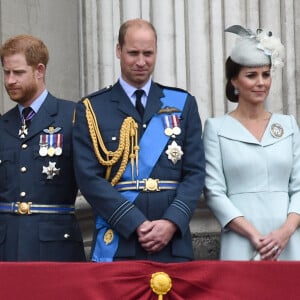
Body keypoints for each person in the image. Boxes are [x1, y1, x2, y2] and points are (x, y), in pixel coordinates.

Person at [73, 18, 205, 262]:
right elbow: (88, 178)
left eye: (148, 53)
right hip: (119, 239)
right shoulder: (92, 108)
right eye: (133, 53)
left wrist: (171, 221)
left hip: (172, 241)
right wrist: (134, 222)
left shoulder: (182, 103)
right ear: (118, 51)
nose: (141, 62)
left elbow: (195, 173)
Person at [203, 25, 300, 260]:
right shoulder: (216, 129)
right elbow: (214, 192)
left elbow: (299, 187)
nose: (261, 82)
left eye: (266, 74)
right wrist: (254, 236)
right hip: (241, 239)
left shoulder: (288, 125)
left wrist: (284, 232)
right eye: (251, 75)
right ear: (234, 81)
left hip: (288, 239)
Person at [0, 34, 86, 261]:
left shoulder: (73, 116)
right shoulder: (3, 125)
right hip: (7, 250)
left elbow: (93, 182)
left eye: (18, 73)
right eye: (6, 72)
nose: (10, 80)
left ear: (39, 70)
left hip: (56, 249)